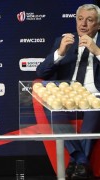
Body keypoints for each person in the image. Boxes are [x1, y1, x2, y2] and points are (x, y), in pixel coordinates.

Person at [36, 4, 100, 179]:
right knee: (50, 106)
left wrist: (97, 51)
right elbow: (41, 72)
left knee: (94, 109)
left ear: (98, 25)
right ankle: (81, 161)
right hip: (68, 97)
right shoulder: (63, 41)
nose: (83, 24)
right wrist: (60, 53)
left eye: (89, 20)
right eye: (80, 19)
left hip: (96, 97)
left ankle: (78, 163)